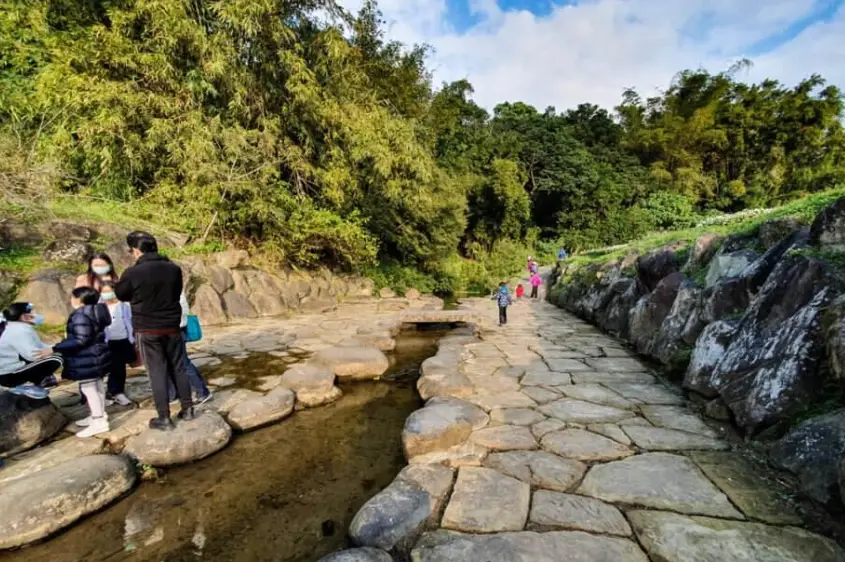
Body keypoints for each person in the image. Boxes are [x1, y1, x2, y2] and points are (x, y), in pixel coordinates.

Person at [115, 231, 194, 430]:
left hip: (148, 329)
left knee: (157, 372)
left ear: (135, 250)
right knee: (179, 368)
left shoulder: (132, 273)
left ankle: (164, 418)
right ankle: (188, 409)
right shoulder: (173, 269)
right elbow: (175, 293)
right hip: (172, 327)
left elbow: (121, 295)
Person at [50, 287, 113, 438]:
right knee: (97, 385)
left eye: (72, 296)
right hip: (98, 353)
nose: (71, 299)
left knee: (89, 388)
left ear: (79, 299)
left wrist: (55, 347)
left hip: (86, 357)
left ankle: (98, 421)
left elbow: (81, 340)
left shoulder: (80, 315)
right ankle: (99, 414)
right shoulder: (98, 310)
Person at [0, 303, 61, 399]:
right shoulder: (19, 331)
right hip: (10, 375)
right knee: (56, 359)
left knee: (60, 353)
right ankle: (24, 384)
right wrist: (55, 350)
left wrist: (58, 347)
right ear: (24, 317)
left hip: (14, 370)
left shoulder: (21, 328)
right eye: (32, 312)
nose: (36, 315)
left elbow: (42, 347)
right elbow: (32, 355)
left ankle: (33, 382)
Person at [167, 293, 212, 405]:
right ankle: (174, 393)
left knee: (183, 363)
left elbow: (183, 310)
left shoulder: (174, 288)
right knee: (171, 363)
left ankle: (202, 392)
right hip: (168, 330)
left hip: (175, 330)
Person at [99, 282, 135, 407]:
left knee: (119, 368)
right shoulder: (99, 307)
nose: (106, 294)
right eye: (103, 292)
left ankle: (117, 392)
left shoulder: (124, 305)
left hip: (122, 340)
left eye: (108, 291)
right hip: (105, 342)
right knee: (102, 368)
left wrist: (132, 338)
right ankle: (97, 395)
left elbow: (130, 321)